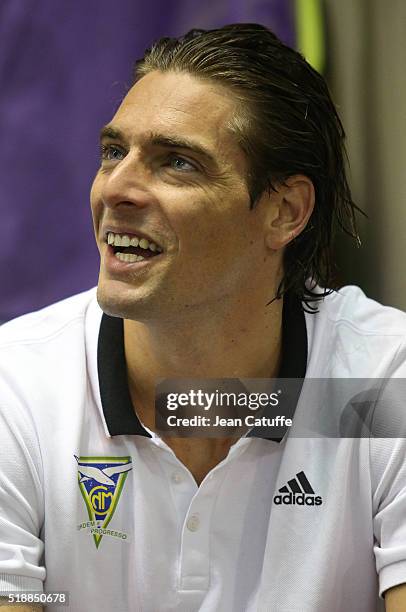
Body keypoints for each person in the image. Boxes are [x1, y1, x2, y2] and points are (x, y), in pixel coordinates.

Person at [0, 23, 405, 612]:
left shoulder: (383, 379)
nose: (117, 188)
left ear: (285, 212)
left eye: (177, 163)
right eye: (114, 152)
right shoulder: (16, 386)